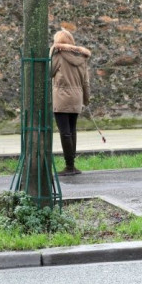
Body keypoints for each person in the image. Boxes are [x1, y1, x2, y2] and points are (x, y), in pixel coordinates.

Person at [50, 28, 91, 176]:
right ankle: (72, 165)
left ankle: (69, 167)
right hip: (77, 98)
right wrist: (86, 100)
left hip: (61, 98)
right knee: (72, 131)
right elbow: (86, 82)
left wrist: (52, 52)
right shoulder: (82, 58)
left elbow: (49, 72)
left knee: (65, 133)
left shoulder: (59, 56)